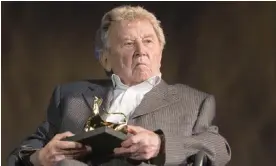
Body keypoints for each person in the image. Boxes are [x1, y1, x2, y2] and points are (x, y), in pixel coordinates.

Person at [8, 5, 231, 166]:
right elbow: (19, 155)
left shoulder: (192, 102)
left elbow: (219, 149)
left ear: (160, 54)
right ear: (106, 59)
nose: (141, 50)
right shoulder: (70, 97)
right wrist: (39, 158)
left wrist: (160, 144)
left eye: (148, 41)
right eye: (128, 43)